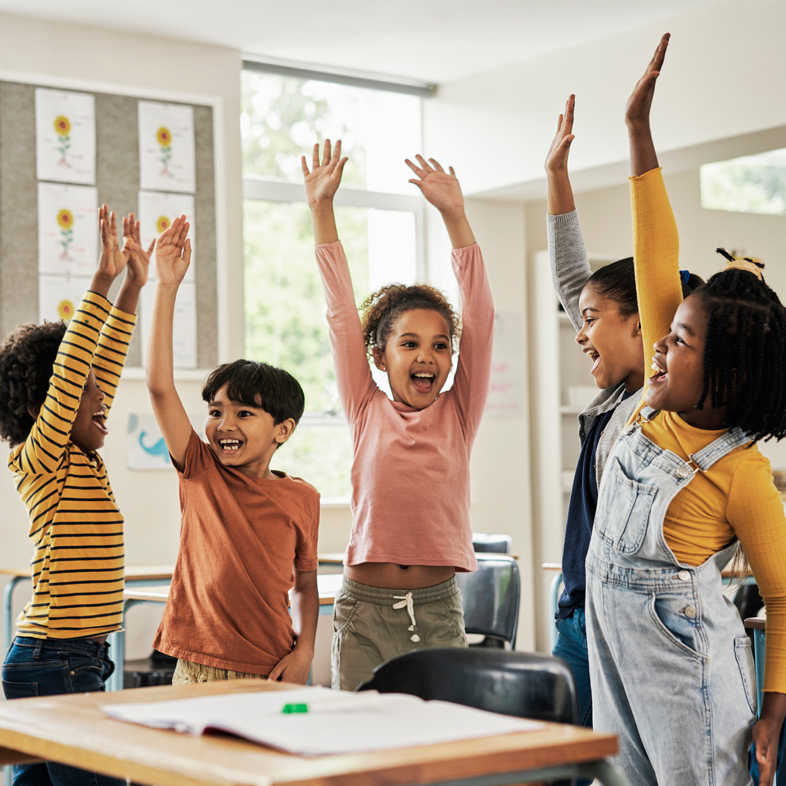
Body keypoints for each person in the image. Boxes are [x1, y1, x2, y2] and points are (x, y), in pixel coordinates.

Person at [584, 33, 786, 786]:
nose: (661, 349)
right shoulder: (650, 403)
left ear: (727, 380)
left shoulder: (741, 473)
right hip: (615, 652)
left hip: (692, 673)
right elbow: (654, 249)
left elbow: (783, 596)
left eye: (682, 342)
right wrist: (638, 132)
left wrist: (774, 707)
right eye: (665, 333)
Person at [303, 140, 494, 691]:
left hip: (438, 612)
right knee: (367, 764)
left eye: (439, 345)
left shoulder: (459, 413)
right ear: (379, 357)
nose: (426, 356)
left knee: (440, 761)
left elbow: (478, 316)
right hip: (363, 613)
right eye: (409, 343)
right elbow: (342, 314)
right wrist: (321, 210)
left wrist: (456, 216)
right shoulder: (366, 409)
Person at [545, 94, 702, 738]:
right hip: (576, 613)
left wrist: (637, 131)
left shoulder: (655, 408)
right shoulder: (613, 400)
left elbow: (654, 278)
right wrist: (557, 181)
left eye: (590, 321)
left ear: (644, 325)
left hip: (630, 619)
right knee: (559, 768)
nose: (580, 333)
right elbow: (574, 281)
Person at [0, 207, 150, 786]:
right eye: (87, 392)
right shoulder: (44, 462)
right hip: (54, 661)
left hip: (75, 657)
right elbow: (73, 371)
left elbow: (100, 360)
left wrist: (136, 285)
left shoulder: (83, 459)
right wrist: (102, 280)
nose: (102, 398)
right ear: (48, 409)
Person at [145, 216, 320, 685]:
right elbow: (160, 387)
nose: (224, 425)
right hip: (198, 668)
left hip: (271, 668)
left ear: (282, 430)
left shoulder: (304, 498)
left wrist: (305, 654)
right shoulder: (200, 469)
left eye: (244, 414)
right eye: (217, 411)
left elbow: (305, 583)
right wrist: (166, 287)